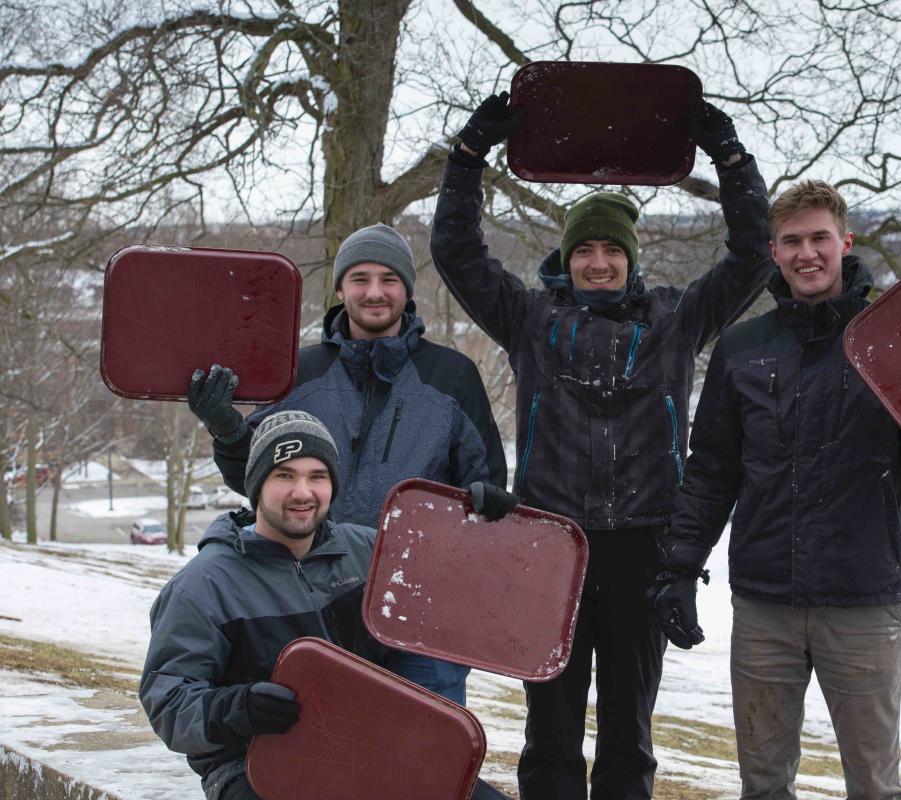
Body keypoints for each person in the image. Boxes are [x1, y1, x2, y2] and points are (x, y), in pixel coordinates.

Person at [654, 180, 901, 800]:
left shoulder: (892, 341)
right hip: (764, 600)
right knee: (762, 783)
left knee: (872, 783)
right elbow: (712, 471)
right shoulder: (742, 348)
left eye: (819, 238)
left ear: (845, 241)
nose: (806, 253)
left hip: (863, 599)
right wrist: (680, 567)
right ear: (773, 250)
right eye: (792, 241)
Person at [430, 91, 775, 799]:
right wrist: (470, 154)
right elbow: (456, 252)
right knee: (550, 733)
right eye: (583, 249)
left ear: (630, 259)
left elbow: (751, 257)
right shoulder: (529, 318)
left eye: (610, 250)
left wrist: (730, 156)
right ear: (567, 257)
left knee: (628, 733)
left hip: (642, 549)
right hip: (549, 547)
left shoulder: (677, 320)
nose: (596, 262)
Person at [187, 222, 506, 703]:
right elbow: (255, 480)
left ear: (407, 289)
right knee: (329, 744)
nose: (374, 292)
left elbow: (487, 485)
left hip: (421, 604)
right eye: (360, 279)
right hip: (314, 598)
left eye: (388, 279)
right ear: (340, 288)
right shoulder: (300, 372)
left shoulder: (451, 376)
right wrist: (228, 430)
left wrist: (487, 502)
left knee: (426, 748)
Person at [139, 411, 513, 800]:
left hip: (375, 749)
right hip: (257, 765)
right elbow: (168, 702)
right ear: (256, 484)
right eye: (284, 475)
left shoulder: (369, 550)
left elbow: (456, 593)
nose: (303, 492)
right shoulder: (203, 585)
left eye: (316, 476)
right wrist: (237, 707)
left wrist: (484, 526)